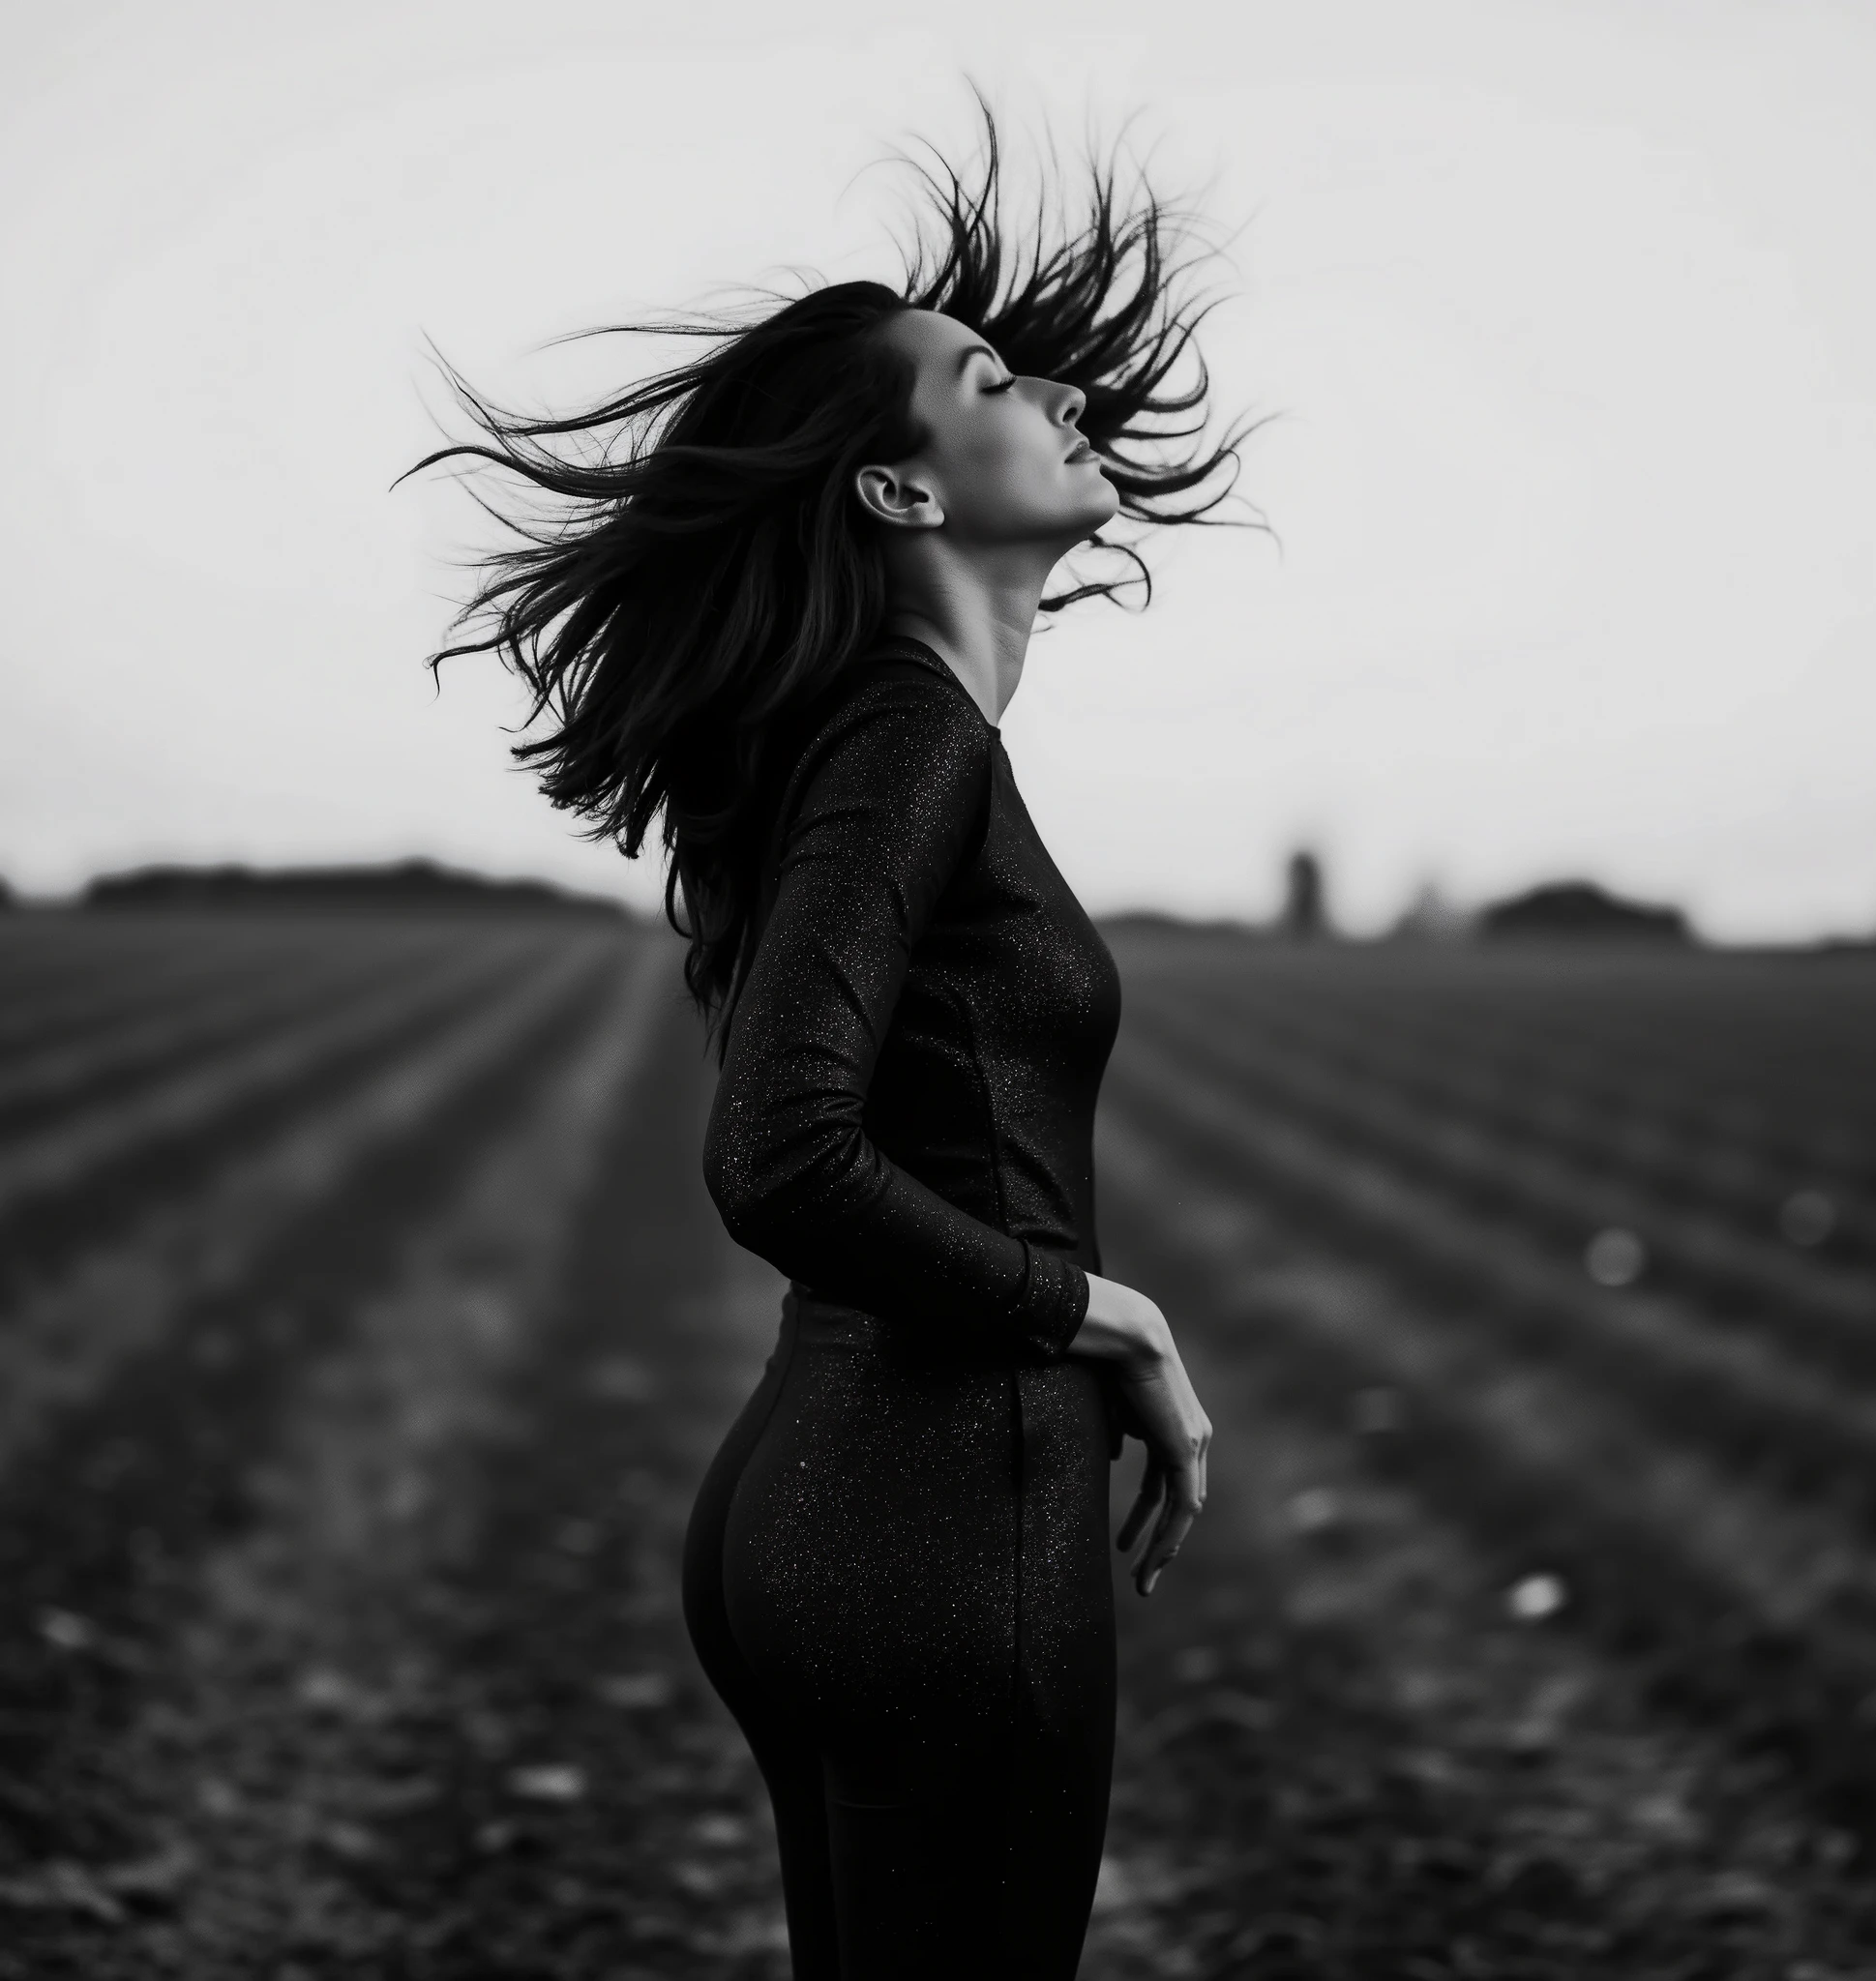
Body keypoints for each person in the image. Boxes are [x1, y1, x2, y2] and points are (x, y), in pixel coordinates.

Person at [412, 103, 1251, 1979]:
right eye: (980, 377)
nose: (1043, 386)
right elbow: (777, 1148)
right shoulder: (909, 736)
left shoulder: (874, 732)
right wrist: (1097, 1306)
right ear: (896, 489)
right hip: (950, 1524)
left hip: (822, 1504)